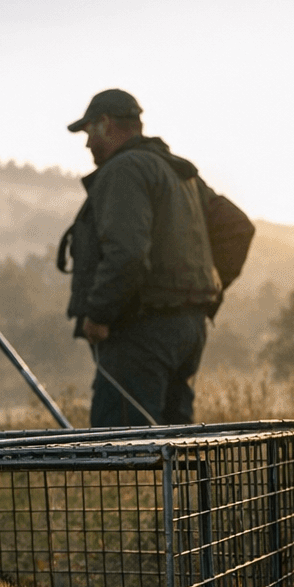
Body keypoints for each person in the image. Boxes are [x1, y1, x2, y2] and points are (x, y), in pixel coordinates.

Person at [62, 89, 221, 426]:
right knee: (175, 443)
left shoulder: (124, 169)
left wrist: (98, 314)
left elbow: (127, 253)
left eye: (89, 132)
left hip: (139, 332)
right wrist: (200, 292)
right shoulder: (179, 172)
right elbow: (237, 228)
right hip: (188, 329)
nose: (87, 144)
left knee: (120, 444)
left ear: (105, 124)